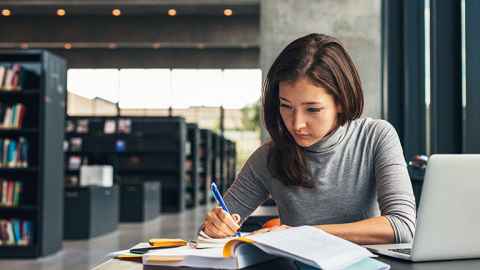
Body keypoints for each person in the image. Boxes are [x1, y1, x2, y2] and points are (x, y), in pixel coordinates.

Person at [201, 33, 416, 245]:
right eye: (286, 106)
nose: (296, 124)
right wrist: (214, 229)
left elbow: (402, 226)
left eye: (312, 109)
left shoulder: (375, 137)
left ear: (340, 101)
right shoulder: (268, 157)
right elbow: (206, 238)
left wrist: (303, 233)